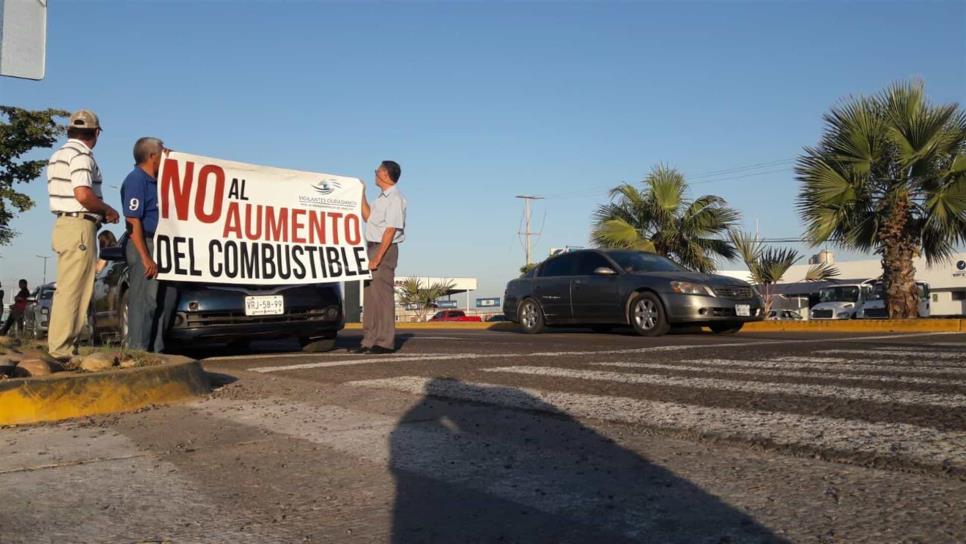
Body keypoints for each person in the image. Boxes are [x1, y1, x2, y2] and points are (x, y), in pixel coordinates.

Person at [45, 110, 119, 361]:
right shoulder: (81, 156)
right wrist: (107, 209)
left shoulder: (58, 155)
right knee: (75, 289)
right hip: (79, 226)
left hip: (66, 225)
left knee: (68, 288)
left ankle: (63, 346)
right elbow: (83, 195)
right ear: (96, 133)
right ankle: (62, 350)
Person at [121, 137, 174, 352]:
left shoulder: (160, 180)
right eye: (163, 152)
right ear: (152, 156)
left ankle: (157, 350)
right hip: (146, 243)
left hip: (164, 245)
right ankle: (138, 350)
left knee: (163, 301)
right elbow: (133, 220)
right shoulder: (136, 180)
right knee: (144, 301)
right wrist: (145, 257)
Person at [352, 160, 407, 354]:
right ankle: (369, 340)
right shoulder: (381, 199)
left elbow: (390, 230)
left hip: (384, 248)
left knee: (382, 297)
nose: (375, 173)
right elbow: (367, 217)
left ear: (385, 174)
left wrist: (377, 258)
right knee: (370, 297)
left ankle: (384, 341)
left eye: (377, 170)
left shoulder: (395, 198)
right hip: (372, 247)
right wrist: (361, 193)